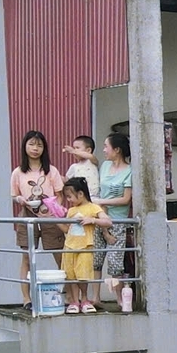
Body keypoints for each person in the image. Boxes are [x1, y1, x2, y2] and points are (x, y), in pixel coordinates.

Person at [10, 130, 64, 295]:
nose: (35, 148)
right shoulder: (18, 172)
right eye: (32, 144)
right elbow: (14, 195)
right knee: (27, 257)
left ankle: (69, 296)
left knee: (60, 255)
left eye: (39, 145)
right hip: (27, 215)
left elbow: (60, 195)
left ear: (44, 149)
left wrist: (54, 211)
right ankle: (27, 298)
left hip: (50, 217)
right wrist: (21, 200)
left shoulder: (51, 171)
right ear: (25, 146)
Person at [95, 132, 135, 311]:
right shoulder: (104, 166)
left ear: (117, 150)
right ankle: (95, 297)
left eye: (106, 146)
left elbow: (126, 199)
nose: (104, 150)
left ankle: (120, 298)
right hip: (100, 217)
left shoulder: (130, 170)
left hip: (118, 220)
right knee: (96, 259)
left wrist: (101, 202)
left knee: (115, 261)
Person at [58, 178, 107, 313]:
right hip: (69, 246)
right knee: (71, 275)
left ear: (80, 194)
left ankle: (84, 299)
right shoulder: (71, 210)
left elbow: (107, 221)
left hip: (85, 246)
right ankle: (75, 301)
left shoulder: (93, 207)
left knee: (83, 275)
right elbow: (67, 229)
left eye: (70, 196)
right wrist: (54, 219)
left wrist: (92, 220)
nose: (68, 200)